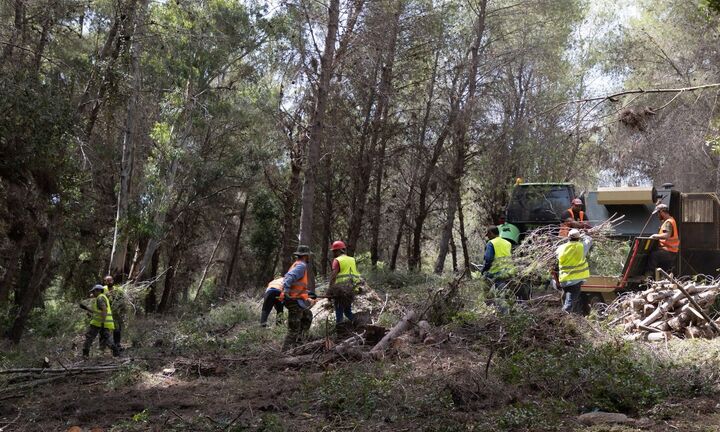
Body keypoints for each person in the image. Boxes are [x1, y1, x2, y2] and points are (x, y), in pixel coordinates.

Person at [282, 245, 317, 350]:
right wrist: (286, 291)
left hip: (296, 299)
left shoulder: (297, 264)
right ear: (306, 256)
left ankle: (299, 343)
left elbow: (297, 285)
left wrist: (308, 293)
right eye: (308, 255)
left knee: (307, 316)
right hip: (292, 299)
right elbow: (289, 277)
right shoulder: (301, 266)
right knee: (293, 328)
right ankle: (284, 353)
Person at [554, 229, 592, 314]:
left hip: (564, 279)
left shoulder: (560, 248)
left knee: (567, 300)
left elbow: (555, 261)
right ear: (578, 238)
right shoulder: (581, 247)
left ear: (568, 238)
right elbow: (589, 240)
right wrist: (586, 233)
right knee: (569, 303)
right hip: (575, 280)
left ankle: (565, 318)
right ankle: (562, 318)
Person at [328, 240, 361, 326]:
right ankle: (358, 324)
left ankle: (340, 331)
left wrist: (330, 290)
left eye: (335, 251)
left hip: (340, 291)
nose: (334, 253)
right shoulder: (352, 259)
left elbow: (333, 275)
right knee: (347, 311)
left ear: (339, 250)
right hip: (351, 289)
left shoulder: (337, 260)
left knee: (339, 312)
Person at [82, 284, 120, 358]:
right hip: (104, 323)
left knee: (89, 337)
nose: (93, 293)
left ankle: (85, 355)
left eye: (94, 291)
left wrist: (102, 322)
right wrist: (86, 308)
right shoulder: (102, 297)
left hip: (99, 323)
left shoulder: (100, 298)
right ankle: (116, 353)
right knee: (107, 339)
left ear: (98, 291)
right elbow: (98, 312)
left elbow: (104, 310)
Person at [646, 203, 680, 276]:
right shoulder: (670, 220)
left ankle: (648, 276)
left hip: (669, 251)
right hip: (671, 251)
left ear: (661, 212)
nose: (657, 216)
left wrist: (654, 236)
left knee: (653, 255)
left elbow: (666, 235)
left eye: (658, 214)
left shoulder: (668, 222)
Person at [481, 226, 515, 290]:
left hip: (497, 272)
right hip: (510, 270)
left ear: (491, 233)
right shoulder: (508, 243)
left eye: (488, 235)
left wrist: (483, 270)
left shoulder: (491, 243)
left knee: (485, 282)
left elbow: (488, 259)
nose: (487, 237)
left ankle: (488, 298)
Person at [102, 275, 126, 349]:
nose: (109, 282)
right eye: (107, 280)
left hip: (116, 313)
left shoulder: (118, 290)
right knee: (104, 330)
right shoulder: (102, 289)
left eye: (110, 280)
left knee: (117, 329)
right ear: (104, 282)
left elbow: (123, 301)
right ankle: (102, 346)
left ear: (113, 280)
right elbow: (95, 296)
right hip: (105, 313)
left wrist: (122, 310)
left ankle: (117, 344)